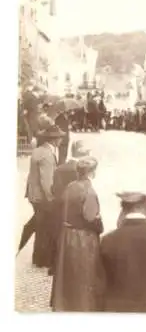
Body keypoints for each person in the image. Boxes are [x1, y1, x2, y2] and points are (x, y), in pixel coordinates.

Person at [51, 156, 104, 312]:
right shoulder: (89, 192)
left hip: (66, 235)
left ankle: (64, 304)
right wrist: (99, 224)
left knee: (67, 274)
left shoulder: (70, 186)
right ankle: (82, 306)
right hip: (82, 239)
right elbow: (90, 218)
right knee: (84, 273)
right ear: (91, 173)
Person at [49, 140, 91, 275]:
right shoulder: (82, 171)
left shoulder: (60, 168)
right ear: (83, 154)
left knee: (58, 235)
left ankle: (55, 266)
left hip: (59, 206)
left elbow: (54, 189)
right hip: (75, 208)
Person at [25, 125, 64, 268]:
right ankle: (42, 259)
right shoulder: (47, 155)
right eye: (59, 137)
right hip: (41, 197)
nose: (61, 139)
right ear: (54, 140)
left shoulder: (38, 151)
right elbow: (46, 180)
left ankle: (38, 258)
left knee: (40, 225)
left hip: (33, 194)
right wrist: (51, 198)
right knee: (44, 227)